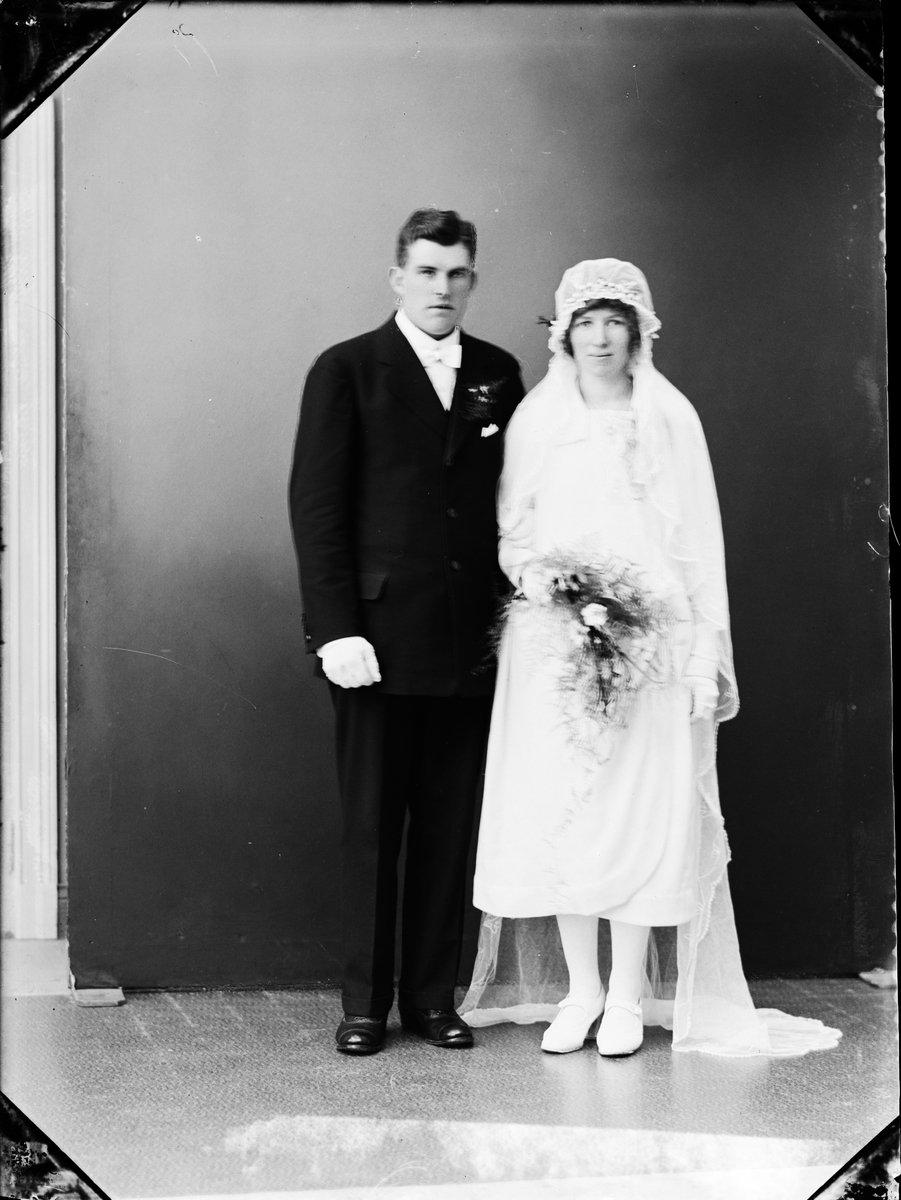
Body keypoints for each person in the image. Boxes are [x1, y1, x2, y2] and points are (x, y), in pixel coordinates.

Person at [460, 259, 841, 1058]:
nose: (600, 338)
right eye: (586, 323)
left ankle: (628, 998)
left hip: (652, 648)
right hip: (554, 649)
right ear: (564, 333)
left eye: (615, 322)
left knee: (638, 820)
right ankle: (581, 993)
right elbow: (512, 533)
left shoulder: (668, 417)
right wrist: (547, 584)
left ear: (638, 331)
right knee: (567, 815)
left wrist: (701, 659)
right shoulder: (537, 418)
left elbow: (698, 547)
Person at [289, 208, 525, 1055]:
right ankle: (363, 1004)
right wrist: (335, 632)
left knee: (447, 830)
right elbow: (316, 510)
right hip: (375, 648)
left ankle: (432, 998)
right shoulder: (346, 369)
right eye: (426, 271)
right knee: (371, 831)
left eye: (456, 273)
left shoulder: (497, 372)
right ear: (398, 278)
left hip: (469, 645)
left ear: (473, 280)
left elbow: (511, 501)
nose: (441, 287)